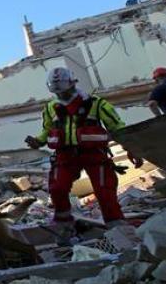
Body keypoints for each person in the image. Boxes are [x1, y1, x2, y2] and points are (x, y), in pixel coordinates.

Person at [24, 67, 138, 233]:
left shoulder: (97, 103)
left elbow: (118, 128)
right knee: (57, 188)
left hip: (94, 154)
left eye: (63, 92)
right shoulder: (50, 108)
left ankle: (117, 226)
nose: (61, 96)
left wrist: (132, 149)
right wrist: (38, 141)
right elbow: (47, 130)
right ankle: (64, 226)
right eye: (57, 93)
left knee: (104, 190)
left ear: (72, 84)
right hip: (65, 156)